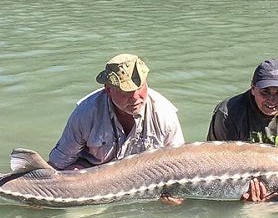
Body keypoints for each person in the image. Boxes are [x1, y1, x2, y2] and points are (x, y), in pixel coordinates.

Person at [49, 53, 185, 171]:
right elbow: (58, 164)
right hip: (93, 175)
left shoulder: (164, 114)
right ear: (108, 90)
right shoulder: (86, 113)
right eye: (126, 92)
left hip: (144, 178)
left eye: (140, 87)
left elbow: (178, 165)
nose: (135, 98)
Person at [207, 58, 278, 148]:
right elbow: (216, 155)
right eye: (265, 91)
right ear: (253, 88)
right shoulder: (227, 113)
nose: (272, 99)